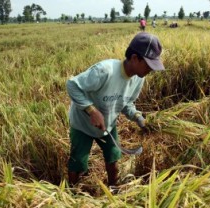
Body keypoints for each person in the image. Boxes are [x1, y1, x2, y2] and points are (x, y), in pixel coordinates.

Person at [66, 32, 165, 189]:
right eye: (148, 64)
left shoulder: (139, 78)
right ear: (134, 58)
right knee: (78, 163)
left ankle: (113, 190)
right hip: (82, 125)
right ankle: (71, 194)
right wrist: (91, 111)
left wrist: (138, 117)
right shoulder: (105, 71)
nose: (150, 70)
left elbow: (127, 103)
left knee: (113, 157)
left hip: (108, 125)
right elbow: (72, 85)